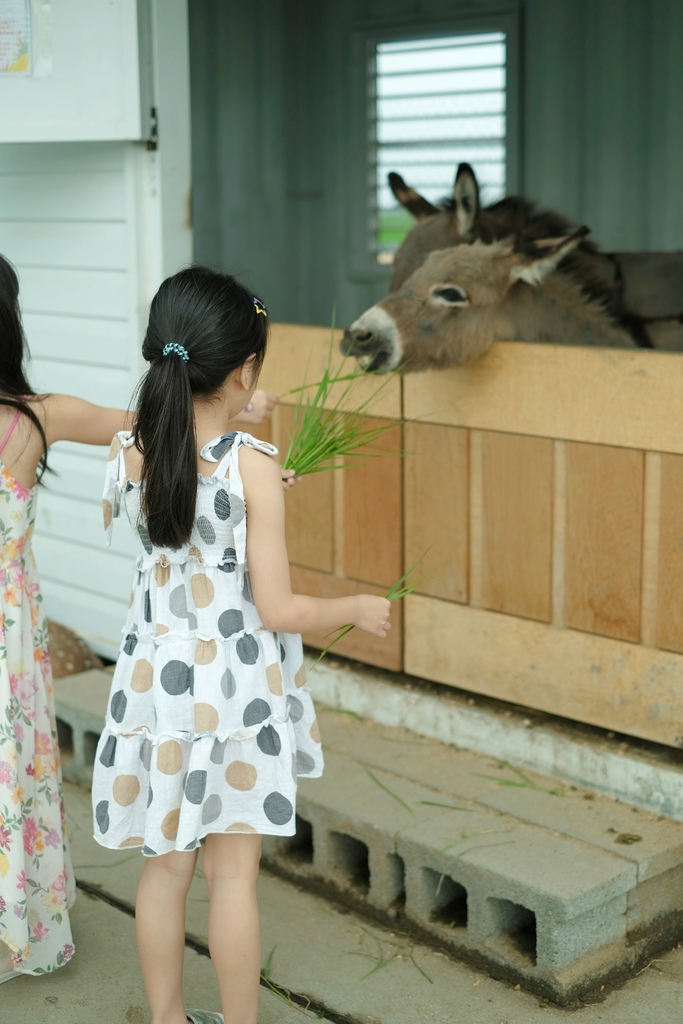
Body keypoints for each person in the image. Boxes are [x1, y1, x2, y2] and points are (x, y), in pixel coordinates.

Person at [91, 267, 391, 1024]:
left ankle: (166, 1019)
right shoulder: (252, 465)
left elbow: (196, 447)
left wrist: (245, 410)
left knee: (165, 870)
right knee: (232, 878)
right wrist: (356, 606)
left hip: (156, 684)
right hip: (231, 692)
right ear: (243, 370)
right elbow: (280, 608)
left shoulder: (130, 449)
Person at [0, 254, 139, 981]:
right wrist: (237, 418)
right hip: (8, 642)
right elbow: (149, 425)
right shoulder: (36, 417)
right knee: (7, 775)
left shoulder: (37, 415)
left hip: (10, 638)